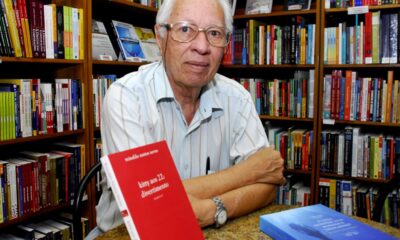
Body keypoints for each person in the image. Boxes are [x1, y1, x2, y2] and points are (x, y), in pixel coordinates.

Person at [89, 0, 285, 238]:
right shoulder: (126, 97)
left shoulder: (237, 98)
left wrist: (212, 210)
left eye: (214, 33)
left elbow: (267, 187)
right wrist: (248, 172)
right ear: (160, 38)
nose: (202, 47)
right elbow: (152, 206)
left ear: (226, 44)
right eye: (185, 29)